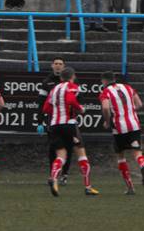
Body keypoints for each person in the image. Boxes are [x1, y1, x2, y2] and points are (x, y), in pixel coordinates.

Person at [42, 67, 99, 197]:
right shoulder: (72, 86)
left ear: (61, 77)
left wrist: (57, 112)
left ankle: (54, 177)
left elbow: (45, 108)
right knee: (81, 154)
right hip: (69, 124)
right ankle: (88, 187)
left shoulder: (54, 89)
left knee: (61, 155)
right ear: (72, 76)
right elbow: (70, 100)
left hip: (54, 125)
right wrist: (80, 109)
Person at [98, 71, 144, 193]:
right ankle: (142, 165)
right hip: (134, 125)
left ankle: (130, 187)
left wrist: (107, 121)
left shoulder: (105, 92)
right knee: (137, 153)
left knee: (120, 156)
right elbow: (140, 104)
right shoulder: (128, 87)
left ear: (104, 81)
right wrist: (129, 110)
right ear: (114, 78)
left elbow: (105, 107)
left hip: (119, 128)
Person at [38, 56, 73, 185]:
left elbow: (78, 101)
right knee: (53, 147)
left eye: (60, 63)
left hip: (68, 121)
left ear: (64, 66)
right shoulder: (46, 82)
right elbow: (41, 103)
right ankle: (53, 173)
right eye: (56, 63)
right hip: (52, 121)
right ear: (52, 65)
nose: (58, 65)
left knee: (68, 147)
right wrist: (40, 121)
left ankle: (65, 174)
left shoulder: (71, 83)